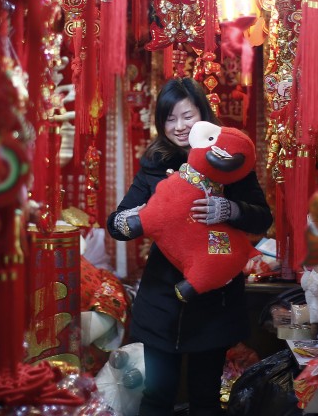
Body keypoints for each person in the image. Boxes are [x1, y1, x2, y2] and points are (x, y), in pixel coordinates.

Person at [107, 77, 273, 416]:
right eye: (170, 119)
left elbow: (262, 218)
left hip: (213, 301)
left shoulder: (229, 158)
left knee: (205, 399)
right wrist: (133, 219)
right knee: (156, 397)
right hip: (161, 299)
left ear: (204, 115)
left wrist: (231, 210)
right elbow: (116, 223)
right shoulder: (154, 163)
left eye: (187, 116)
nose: (179, 127)